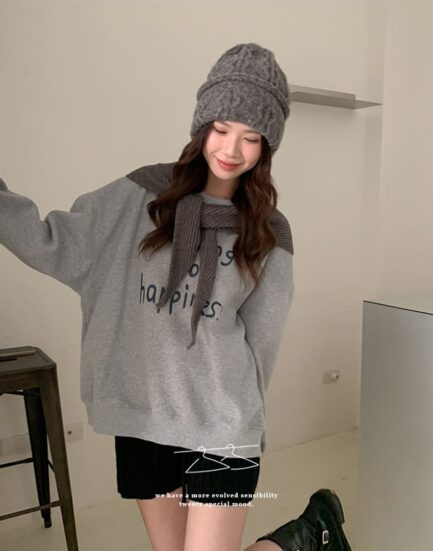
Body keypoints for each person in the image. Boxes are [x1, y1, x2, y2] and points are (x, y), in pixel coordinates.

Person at [0, 42, 351, 551]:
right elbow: (52, 243)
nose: (232, 149)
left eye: (251, 138)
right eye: (222, 129)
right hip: (144, 415)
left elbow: (261, 346)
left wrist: (248, 428)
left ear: (267, 147)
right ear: (202, 123)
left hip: (221, 422)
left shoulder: (268, 231)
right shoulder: (139, 196)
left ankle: (308, 534)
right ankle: (307, 535)